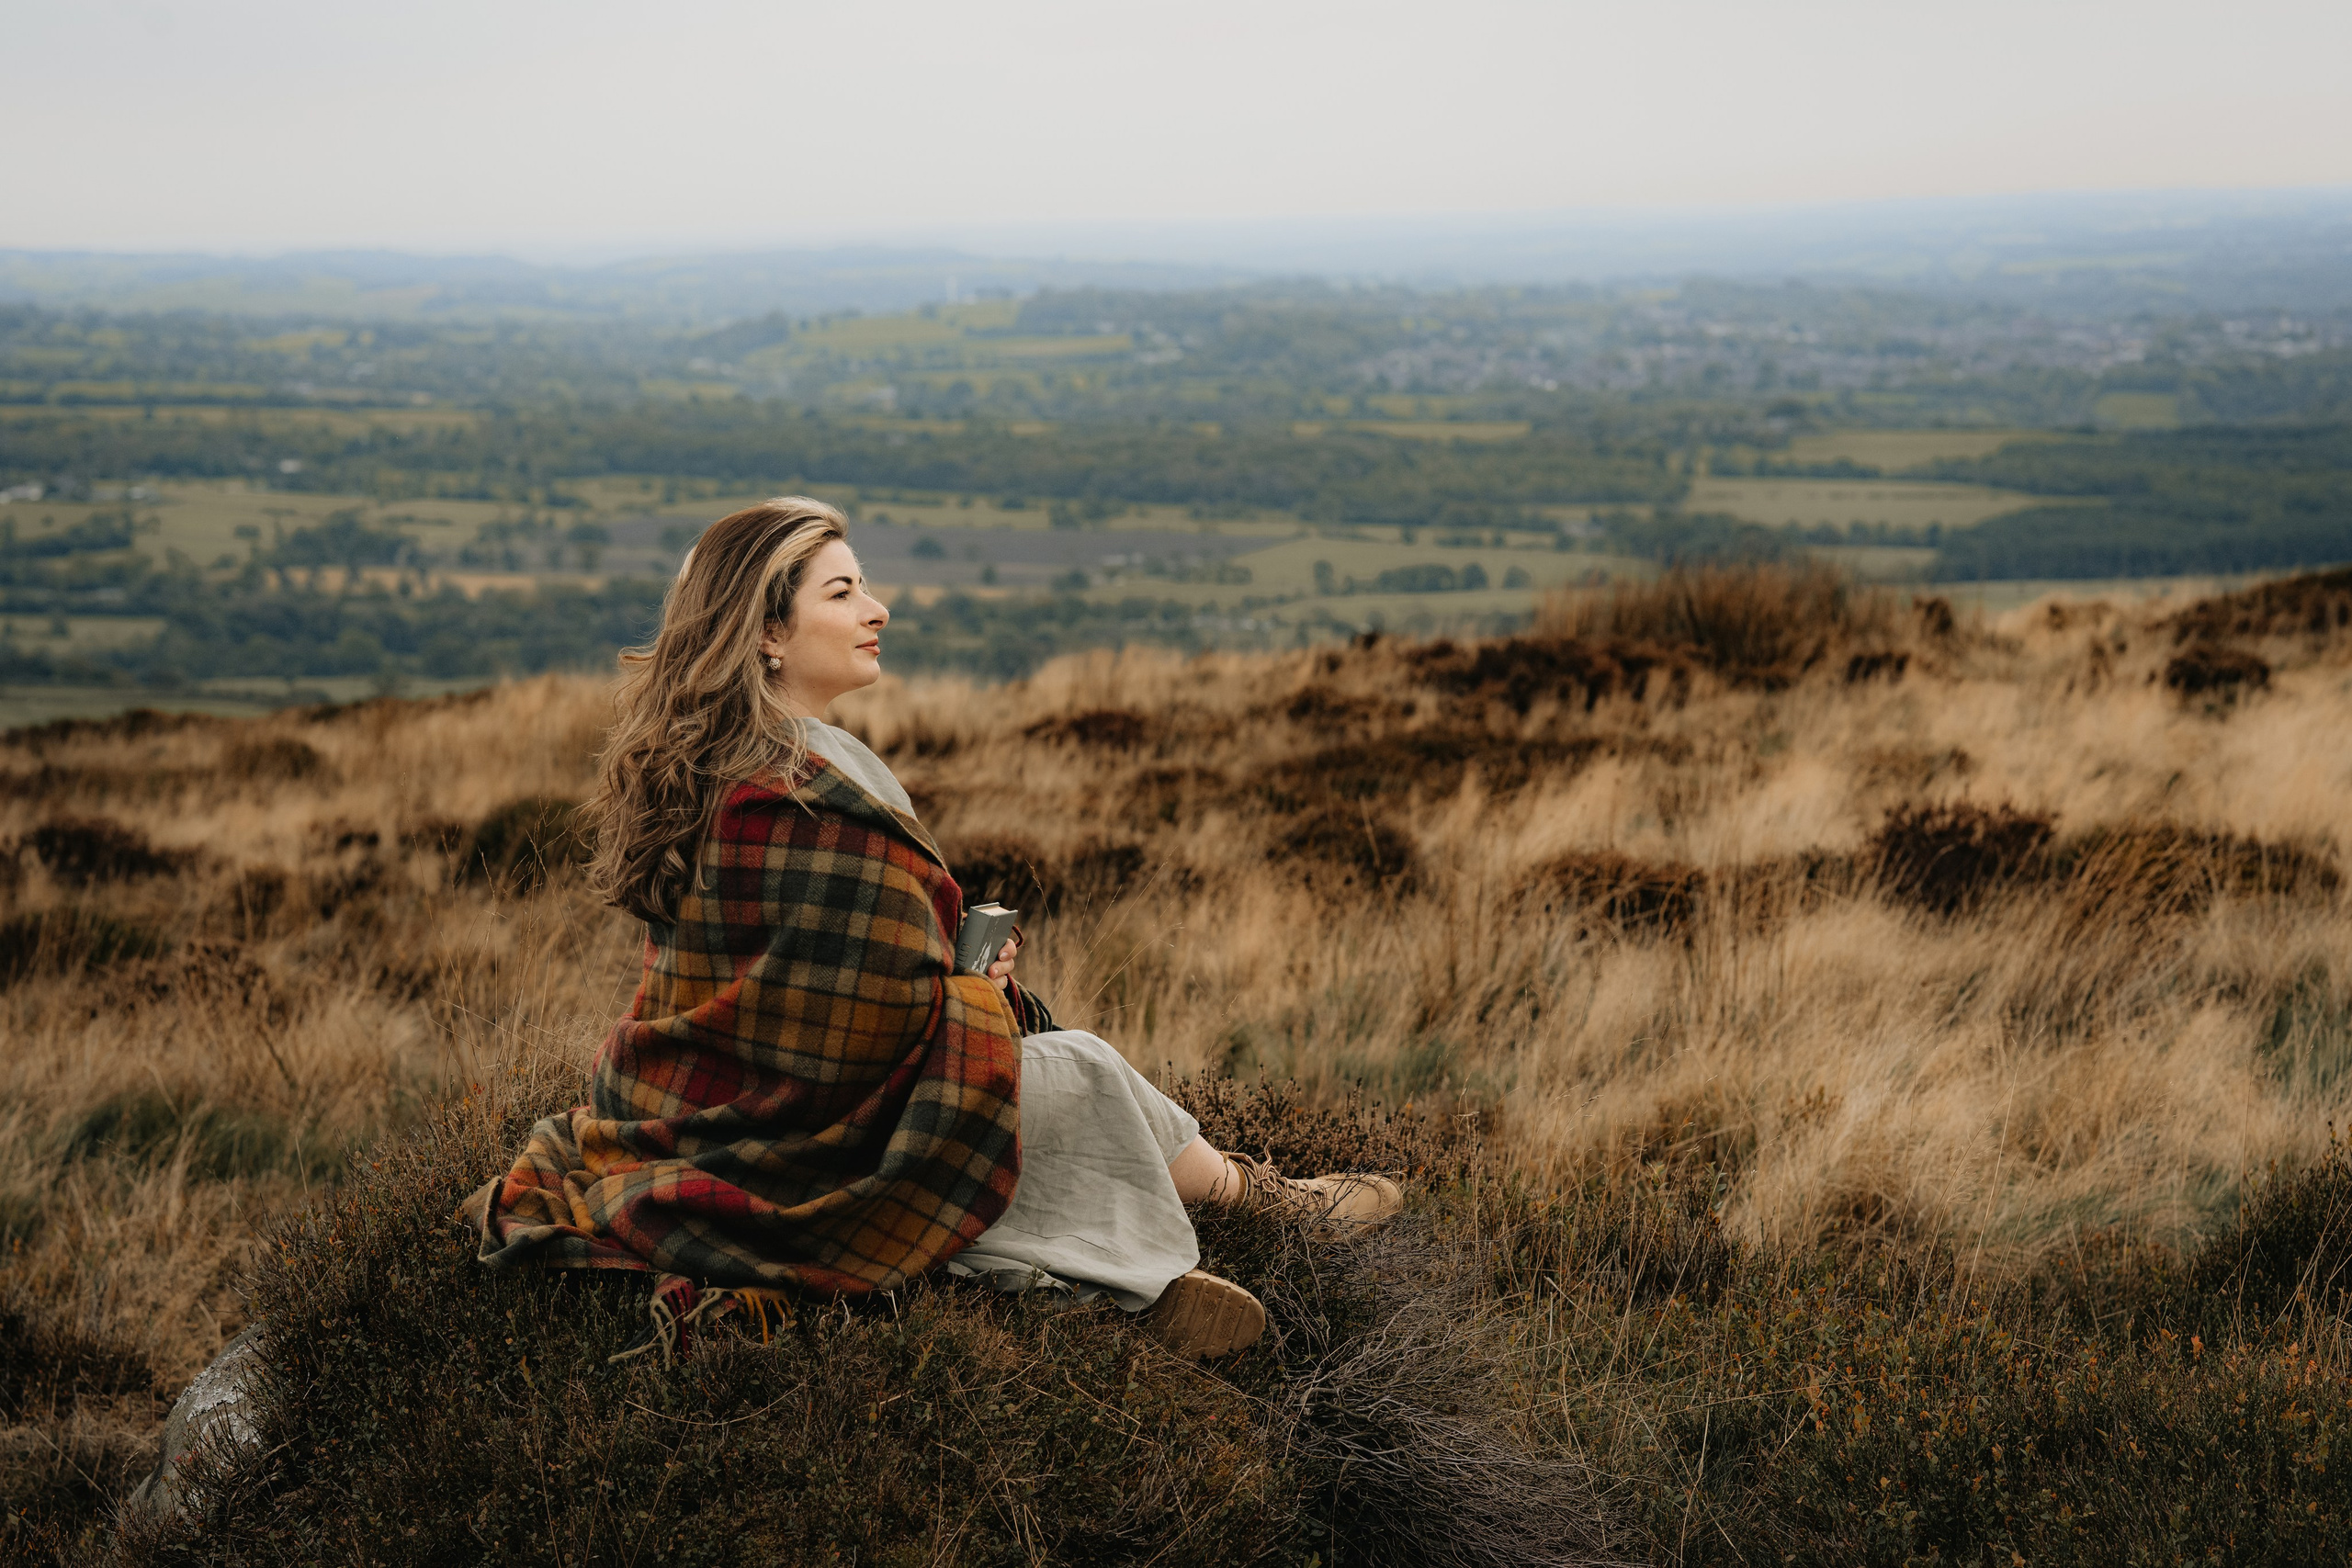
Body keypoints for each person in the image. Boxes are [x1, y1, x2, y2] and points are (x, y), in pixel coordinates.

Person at [462, 497, 1400, 1360]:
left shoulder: (741, 769)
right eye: (843, 590)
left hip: (719, 1117)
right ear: (768, 633)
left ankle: (1233, 1211)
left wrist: (951, 982)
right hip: (807, 1144)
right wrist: (972, 994)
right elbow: (853, 1036)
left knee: (1067, 1065)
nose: (876, 608)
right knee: (1072, 1071)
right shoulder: (791, 800)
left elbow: (817, 997)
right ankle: (1178, 1247)